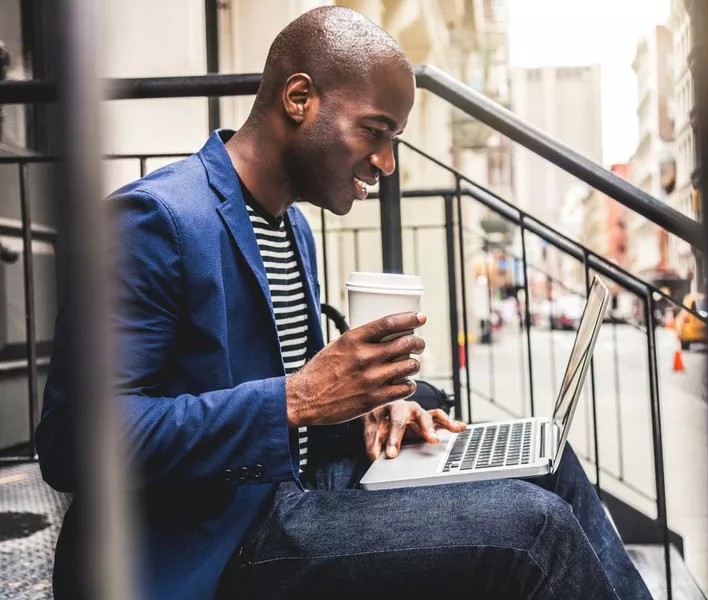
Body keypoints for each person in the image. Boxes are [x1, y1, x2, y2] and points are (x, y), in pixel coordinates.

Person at [36, 7, 652, 600]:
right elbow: (72, 444)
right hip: (220, 539)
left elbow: (296, 403)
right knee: (533, 531)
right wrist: (298, 399)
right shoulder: (154, 220)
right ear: (299, 99)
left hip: (300, 487)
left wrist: (367, 415)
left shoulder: (290, 227)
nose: (386, 162)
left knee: (549, 459)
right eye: (376, 132)